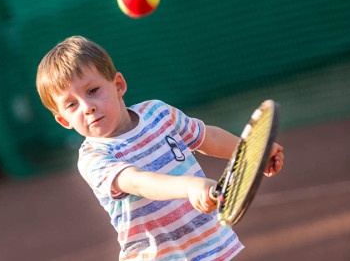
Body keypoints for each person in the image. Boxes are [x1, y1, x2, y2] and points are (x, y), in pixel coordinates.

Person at [35, 35, 284, 260]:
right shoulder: (94, 158)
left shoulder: (158, 113)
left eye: (93, 91)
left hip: (209, 242)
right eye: (71, 105)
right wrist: (190, 186)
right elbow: (140, 182)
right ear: (63, 121)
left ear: (118, 85)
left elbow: (210, 139)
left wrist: (255, 151)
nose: (87, 107)